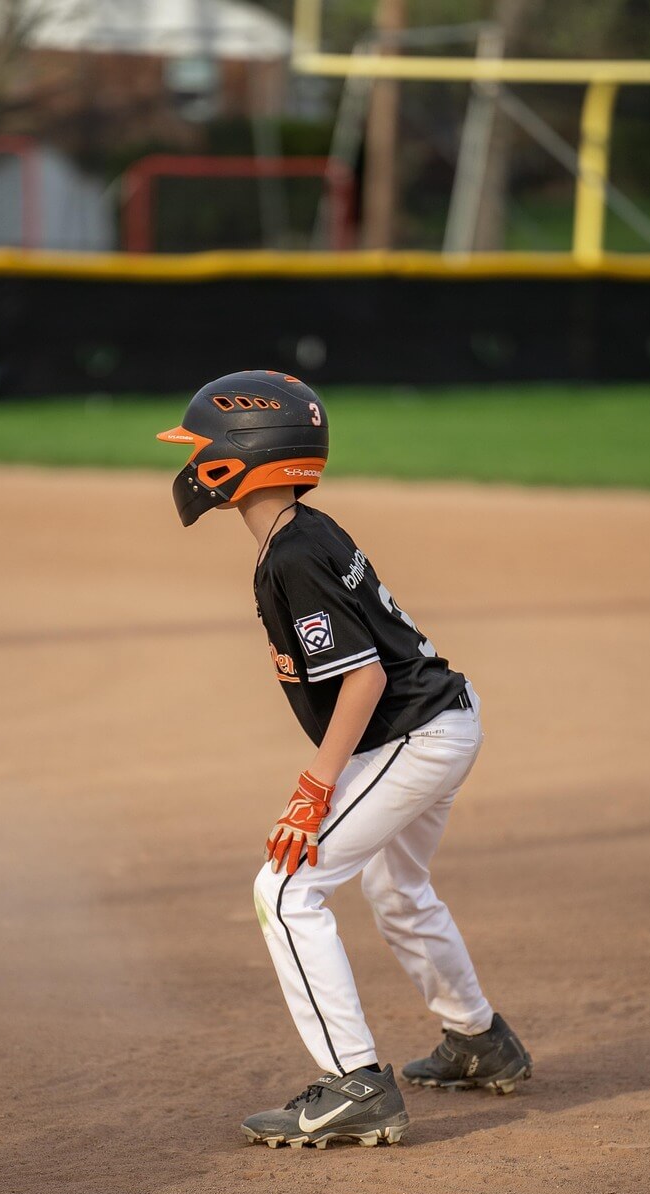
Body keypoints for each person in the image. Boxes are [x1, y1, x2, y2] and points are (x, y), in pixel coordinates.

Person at [158, 371, 532, 1149]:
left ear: (238, 457)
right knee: (396, 887)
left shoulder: (292, 557)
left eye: (199, 447)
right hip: (439, 720)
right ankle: (478, 1039)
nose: (189, 462)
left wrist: (313, 789)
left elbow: (362, 678)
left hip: (413, 737)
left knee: (285, 889)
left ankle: (354, 1083)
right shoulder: (304, 530)